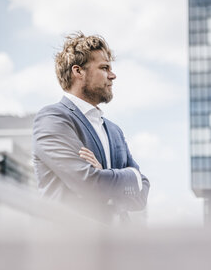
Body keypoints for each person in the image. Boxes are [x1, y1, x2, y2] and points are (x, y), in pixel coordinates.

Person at [32, 32, 150, 223]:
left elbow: (141, 195)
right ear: (78, 71)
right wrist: (128, 177)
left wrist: (104, 174)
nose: (113, 75)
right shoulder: (53, 119)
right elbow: (89, 184)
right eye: (104, 68)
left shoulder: (114, 131)